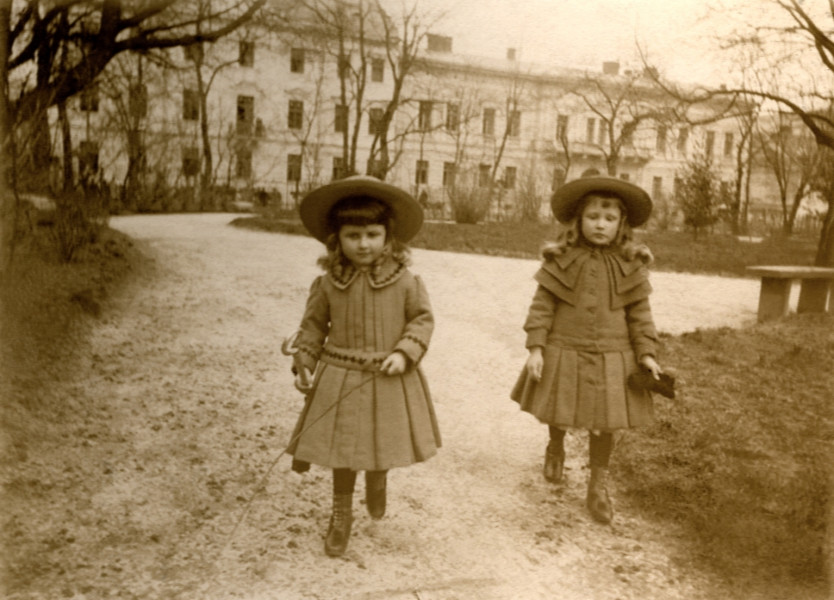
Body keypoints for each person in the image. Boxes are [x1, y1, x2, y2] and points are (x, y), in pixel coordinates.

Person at [286, 175, 441, 557]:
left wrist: (404, 352)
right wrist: (304, 362)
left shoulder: (406, 282)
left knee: (379, 442)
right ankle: (341, 514)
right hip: (339, 376)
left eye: (373, 234)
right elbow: (311, 327)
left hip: (389, 376)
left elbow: (421, 321)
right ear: (336, 239)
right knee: (344, 451)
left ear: (389, 239)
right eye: (353, 235)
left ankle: (378, 481)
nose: (364, 244)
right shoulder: (326, 284)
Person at [510, 172, 665, 525]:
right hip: (565, 347)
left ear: (621, 224)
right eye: (593, 217)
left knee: (604, 423)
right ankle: (555, 446)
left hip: (614, 355)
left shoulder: (630, 264)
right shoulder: (561, 259)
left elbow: (641, 316)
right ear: (579, 221)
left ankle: (598, 483)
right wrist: (536, 347)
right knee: (560, 408)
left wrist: (647, 354)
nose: (600, 225)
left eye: (609, 219)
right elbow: (542, 308)